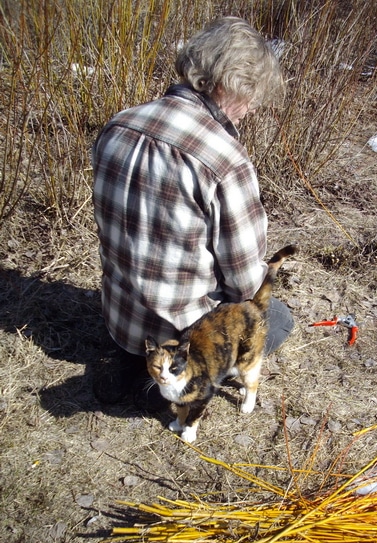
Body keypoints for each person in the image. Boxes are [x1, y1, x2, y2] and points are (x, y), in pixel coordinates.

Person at [92, 16, 293, 409]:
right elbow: (243, 283)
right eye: (252, 96)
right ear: (230, 84)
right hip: (187, 340)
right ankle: (180, 382)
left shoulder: (118, 124)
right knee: (279, 317)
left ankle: (133, 360)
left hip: (120, 320)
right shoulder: (224, 158)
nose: (251, 110)